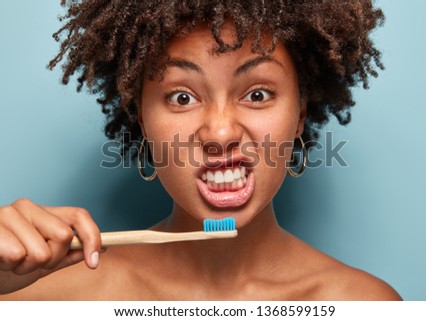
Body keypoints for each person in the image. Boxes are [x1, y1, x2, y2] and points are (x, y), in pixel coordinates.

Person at [0, 0, 401, 300]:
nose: (220, 132)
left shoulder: (364, 304)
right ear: (140, 117)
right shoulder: (51, 297)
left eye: (258, 93)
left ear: (299, 113)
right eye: (181, 97)